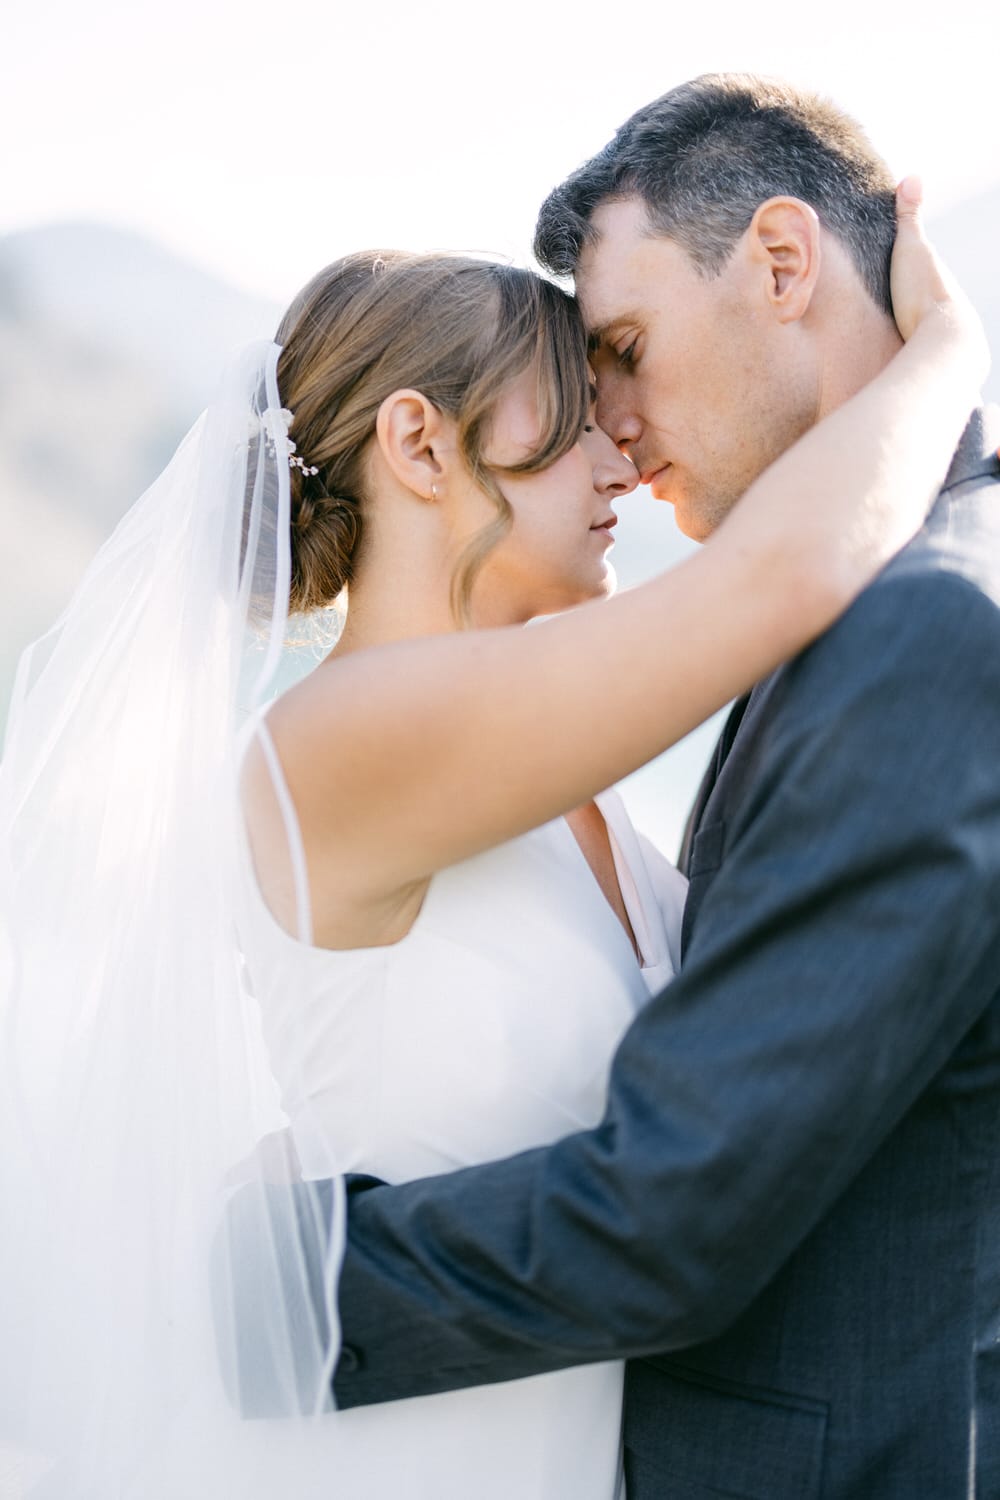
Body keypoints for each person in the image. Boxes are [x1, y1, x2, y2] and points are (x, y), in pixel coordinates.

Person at [0, 96, 987, 1500]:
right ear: (418, 443)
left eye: (622, 378)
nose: (621, 456)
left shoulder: (555, 753)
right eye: (581, 405)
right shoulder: (344, 736)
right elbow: (778, 576)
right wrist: (945, 350)